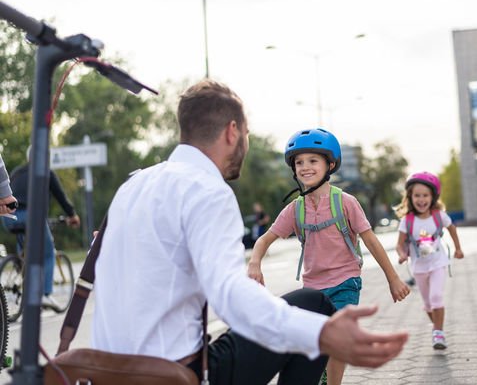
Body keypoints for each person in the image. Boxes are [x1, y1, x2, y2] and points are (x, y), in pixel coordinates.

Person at [91, 80, 408, 385]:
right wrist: (319, 333)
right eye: (246, 133)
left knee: (303, 310)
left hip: (107, 371)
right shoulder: (207, 190)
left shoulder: (133, 186)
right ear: (232, 132)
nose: (245, 141)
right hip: (175, 375)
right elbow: (231, 296)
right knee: (314, 308)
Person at [248, 128, 410, 385]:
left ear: (330, 164)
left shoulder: (345, 202)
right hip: (312, 289)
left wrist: (393, 279)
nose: (305, 167)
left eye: (313, 161)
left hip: (346, 281)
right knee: (316, 343)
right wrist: (255, 262)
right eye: (299, 162)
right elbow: (265, 239)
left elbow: (371, 241)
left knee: (339, 338)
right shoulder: (295, 209)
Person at [1, 148, 80, 309]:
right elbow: (60, 196)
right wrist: (72, 215)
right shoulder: (46, 173)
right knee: (48, 251)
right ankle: (45, 294)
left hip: (8, 218)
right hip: (32, 216)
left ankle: (21, 272)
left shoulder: (17, 172)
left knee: (25, 248)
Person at [394, 171, 464, 350]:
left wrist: (458, 248)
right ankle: (437, 328)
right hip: (418, 267)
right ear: (410, 197)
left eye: (425, 195)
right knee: (427, 304)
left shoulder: (438, 216)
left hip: (438, 263)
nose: (421, 199)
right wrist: (402, 255)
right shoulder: (407, 221)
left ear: (433, 197)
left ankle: (438, 333)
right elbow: (399, 245)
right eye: (417, 195)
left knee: (436, 297)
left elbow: (452, 229)